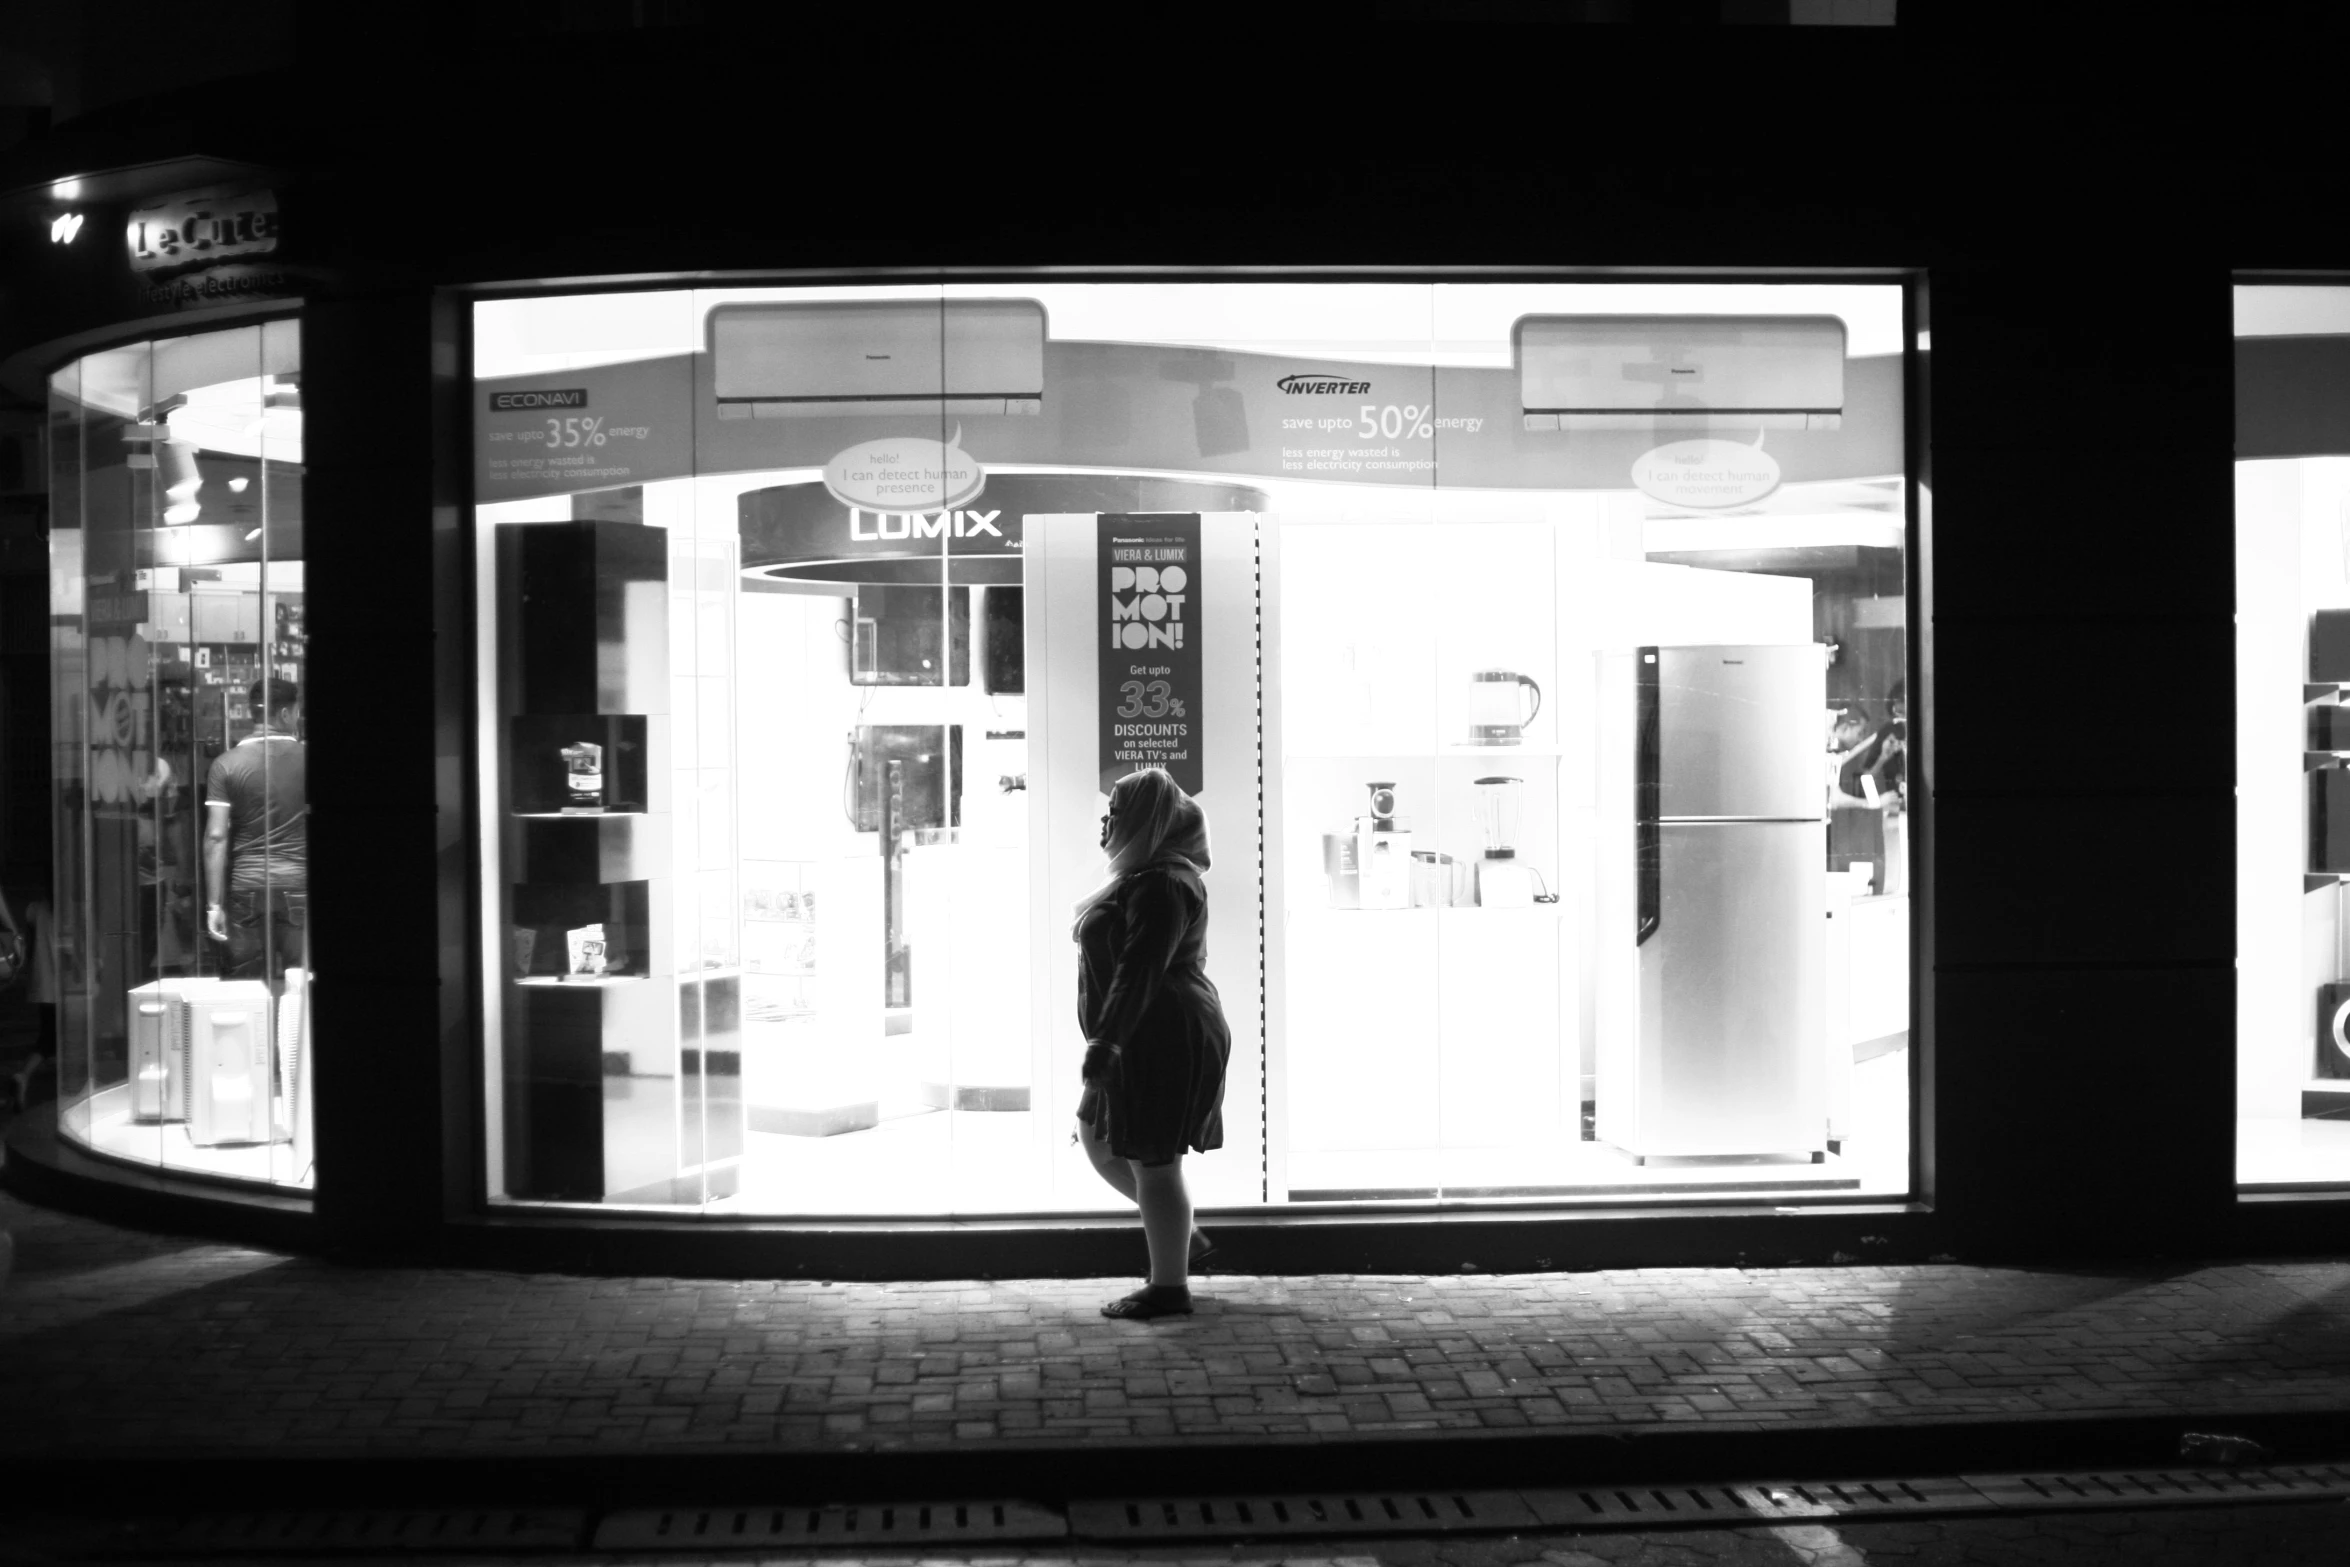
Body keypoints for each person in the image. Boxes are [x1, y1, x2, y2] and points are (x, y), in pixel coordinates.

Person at [1073, 768, 1232, 1320]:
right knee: (1098, 1138)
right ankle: (1179, 1239)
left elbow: (1139, 969)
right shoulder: (1144, 876)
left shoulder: (1162, 883)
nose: (1106, 821)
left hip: (1158, 1034)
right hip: (1141, 1031)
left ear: (1149, 820)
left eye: (1117, 812)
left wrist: (1105, 1047)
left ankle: (1169, 1285)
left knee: (1153, 1162)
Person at [204, 677, 307, 984]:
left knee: (244, 991)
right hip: (297, 884)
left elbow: (216, 837)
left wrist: (213, 905)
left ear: (253, 713)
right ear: (287, 714)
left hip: (246, 889)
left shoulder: (225, 765)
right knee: (299, 988)